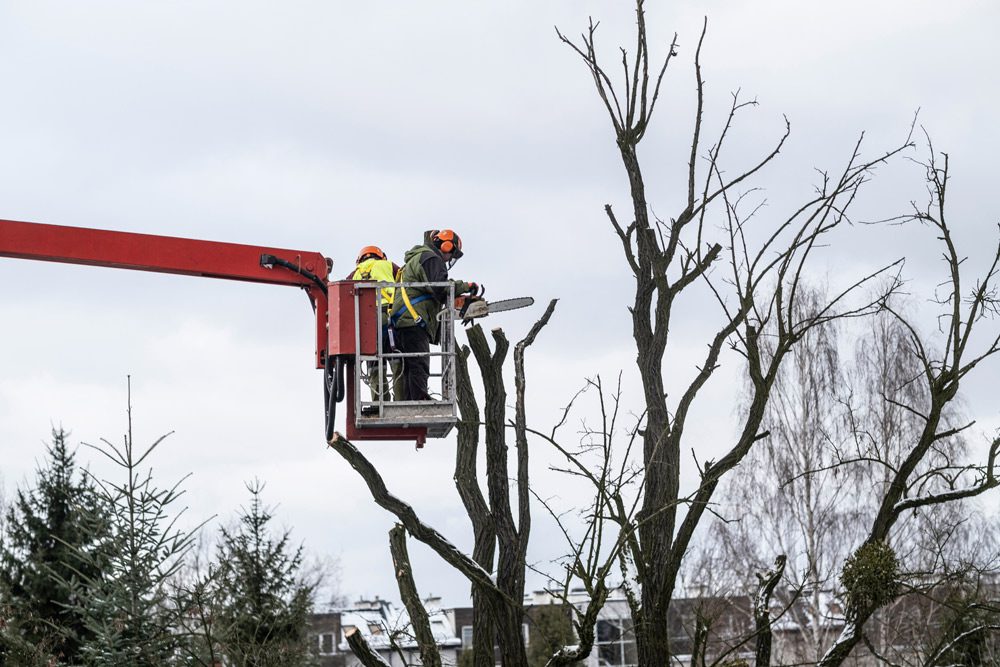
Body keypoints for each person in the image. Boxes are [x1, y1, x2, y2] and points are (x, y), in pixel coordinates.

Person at [390, 230, 478, 401]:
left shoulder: (418, 258)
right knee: (419, 362)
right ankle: (419, 399)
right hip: (413, 320)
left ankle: (410, 399)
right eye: (451, 254)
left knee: (409, 365)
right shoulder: (431, 259)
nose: (449, 259)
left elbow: (434, 290)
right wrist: (465, 286)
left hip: (404, 319)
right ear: (446, 246)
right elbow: (440, 287)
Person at [351, 245, 400, 403]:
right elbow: (406, 280)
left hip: (367, 323)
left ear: (360, 260)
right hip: (390, 317)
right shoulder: (388, 265)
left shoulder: (354, 274)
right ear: (381, 256)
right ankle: (400, 399)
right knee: (397, 359)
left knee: (374, 363)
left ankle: (380, 401)